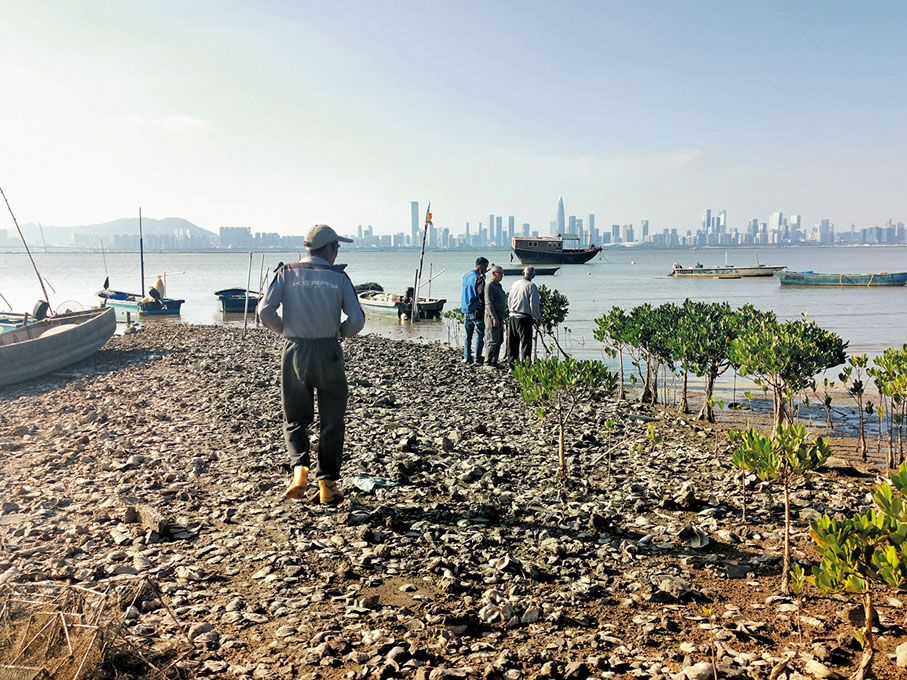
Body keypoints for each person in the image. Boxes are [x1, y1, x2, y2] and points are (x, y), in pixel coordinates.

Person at [258, 224, 365, 505]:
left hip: (295, 349)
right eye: (337, 247)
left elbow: (264, 310)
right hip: (328, 350)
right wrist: (340, 332)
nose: (337, 252)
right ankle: (327, 483)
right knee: (332, 419)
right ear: (329, 248)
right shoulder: (338, 277)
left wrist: (285, 330)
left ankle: (300, 471)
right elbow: (357, 320)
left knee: (295, 416)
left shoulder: (287, 272)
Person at [507, 266, 541, 364]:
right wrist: (538, 317)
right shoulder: (531, 286)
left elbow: (509, 300)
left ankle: (512, 365)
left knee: (513, 342)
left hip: (512, 316)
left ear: (523, 273)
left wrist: (510, 311)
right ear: (533, 276)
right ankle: (525, 365)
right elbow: (533, 305)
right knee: (526, 343)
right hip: (524, 317)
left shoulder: (515, 284)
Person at [461, 256, 489, 364]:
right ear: (480, 266)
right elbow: (481, 294)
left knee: (468, 336)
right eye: (485, 267)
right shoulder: (479, 278)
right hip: (476, 309)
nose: (486, 269)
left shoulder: (466, 275)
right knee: (479, 334)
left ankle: (467, 357)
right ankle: (477, 358)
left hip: (465, 308)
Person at [483, 265, 506, 367]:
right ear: (493, 274)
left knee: (499, 339)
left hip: (499, 316)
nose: (501, 276)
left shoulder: (498, 286)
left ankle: (494, 361)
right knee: (492, 339)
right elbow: (489, 303)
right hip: (492, 317)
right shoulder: (489, 286)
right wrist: (494, 317)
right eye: (500, 273)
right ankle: (487, 361)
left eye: (502, 274)